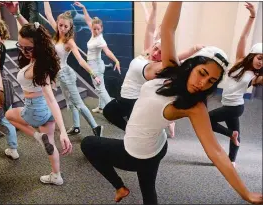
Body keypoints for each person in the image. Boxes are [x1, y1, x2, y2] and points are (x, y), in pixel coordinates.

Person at [80, 2, 263, 204]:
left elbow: (216, 152)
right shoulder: (171, 68)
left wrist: (245, 194)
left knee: (88, 144)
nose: (202, 83)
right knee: (148, 192)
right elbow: (168, 28)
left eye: (211, 81)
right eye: (202, 73)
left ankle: (120, 186)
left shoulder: (195, 107)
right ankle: (123, 189)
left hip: (136, 152)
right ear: (192, 65)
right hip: (156, 145)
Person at [103, 2, 204, 137]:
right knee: (111, 113)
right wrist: (155, 9)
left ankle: (144, 137)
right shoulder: (147, 53)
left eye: (161, 53)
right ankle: (134, 133)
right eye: (155, 48)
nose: (156, 53)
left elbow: (175, 59)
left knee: (120, 117)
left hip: (132, 100)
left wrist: (193, 50)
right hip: (126, 98)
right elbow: (150, 29)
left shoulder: (156, 66)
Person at [3, 2, 73, 185]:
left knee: (9, 114)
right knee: (49, 142)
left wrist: (63, 131)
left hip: (35, 109)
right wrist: (17, 14)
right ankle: (56, 175)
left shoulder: (38, 69)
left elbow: (51, 99)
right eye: (21, 46)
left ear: (38, 47)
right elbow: (32, 33)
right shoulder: (43, 55)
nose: (24, 51)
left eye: (28, 48)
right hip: (43, 109)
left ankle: (36, 136)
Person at [209, 2, 263, 167]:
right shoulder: (240, 60)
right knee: (236, 133)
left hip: (235, 107)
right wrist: (252, 17)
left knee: (208, 120)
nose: (261, 63)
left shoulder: (256, 76)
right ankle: (232, 160)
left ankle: (230, 136)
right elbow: (243, 37)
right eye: (260, 58)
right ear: (252, 55)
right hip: (228, 104)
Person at [42, 2, 103, 136]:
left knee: (79, 104)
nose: (62, 28)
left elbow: (81, 60)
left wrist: (93, 74)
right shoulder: (57, 34)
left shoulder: (69, 41)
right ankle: (76, 127)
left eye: (65, 26)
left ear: (70, 27)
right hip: (59, 74)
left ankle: (96, 127)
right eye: (60, 25)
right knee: (70, 103)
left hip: (66, 75)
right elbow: (48, 14)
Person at [74, 1, 121, 114]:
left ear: (101, 29)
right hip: (96, 64)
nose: (95, 31)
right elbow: (88, 19)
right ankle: (101, 107)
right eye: (94, 28)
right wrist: (84, 8)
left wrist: (116, 60)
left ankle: (114, 111)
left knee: (100, 89)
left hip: (95, 66)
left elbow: (107, 51)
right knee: (101, 88)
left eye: (97, 29)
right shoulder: (94, 33)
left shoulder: (100, 39)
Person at [0, 17, 19, 159]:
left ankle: (13, 148)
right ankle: (13, 147)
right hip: (3, 81)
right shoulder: (1, 44)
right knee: (6, 116)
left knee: (4, 118)